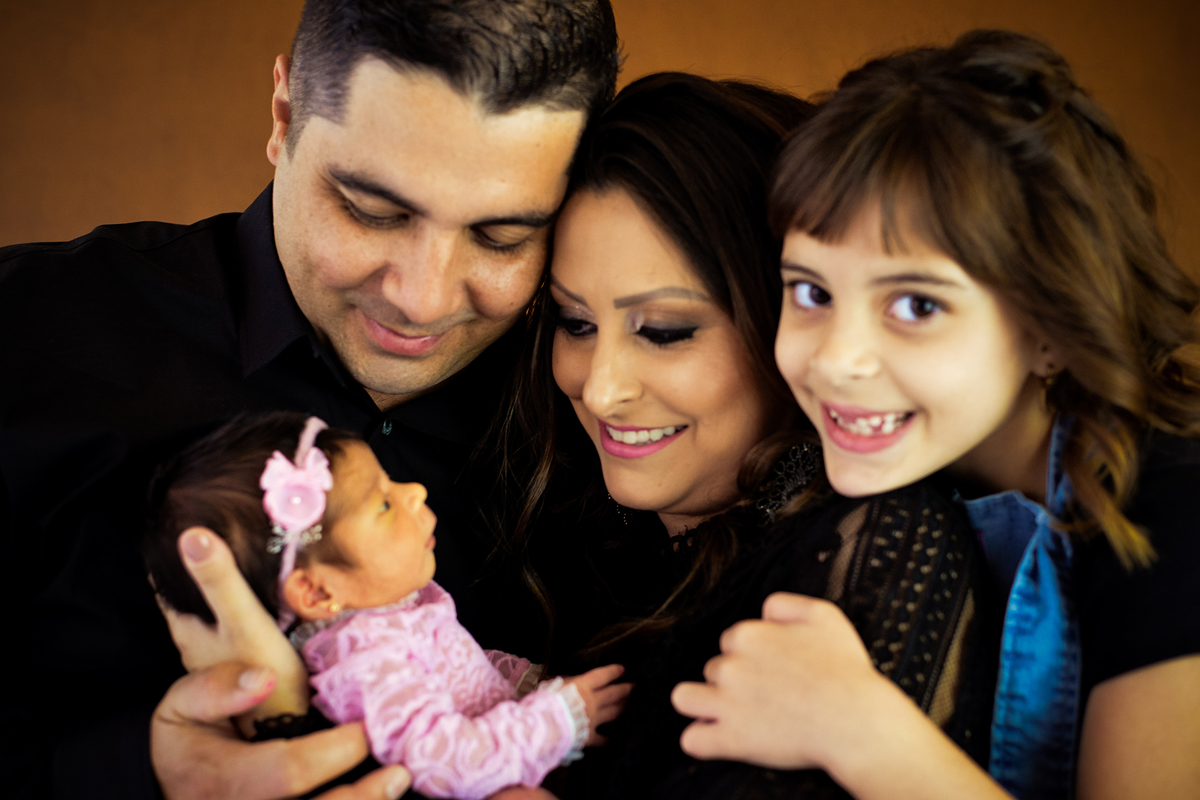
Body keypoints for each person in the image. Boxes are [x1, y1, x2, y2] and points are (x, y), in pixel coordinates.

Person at [0, 1, 619, 798]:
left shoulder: (605, 411)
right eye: (372, 211)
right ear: (284, 113)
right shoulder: (23, 337)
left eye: (501, 237)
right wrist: (136, 773)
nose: (423, 300)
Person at [670, 30, 1200, 800]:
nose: (836, 360)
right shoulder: (869, 479)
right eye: (812, 292)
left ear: (1051, 328)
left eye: (916, 306)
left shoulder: (1172, 520)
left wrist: (862, 734)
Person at [482, 72, 998, 798]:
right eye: (576, 322)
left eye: (665, 331)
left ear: (791, 321)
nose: (600, 388)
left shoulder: (872, 543)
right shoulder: (572, 530)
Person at [144, 412, 629, 799]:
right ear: (318, 593)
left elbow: (465, 671)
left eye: (390, 481)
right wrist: (557, 718)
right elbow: (443, 762)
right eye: (382, 504)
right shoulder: (368, 663)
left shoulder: (391, 615)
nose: (414, 491)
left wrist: (529, 684)